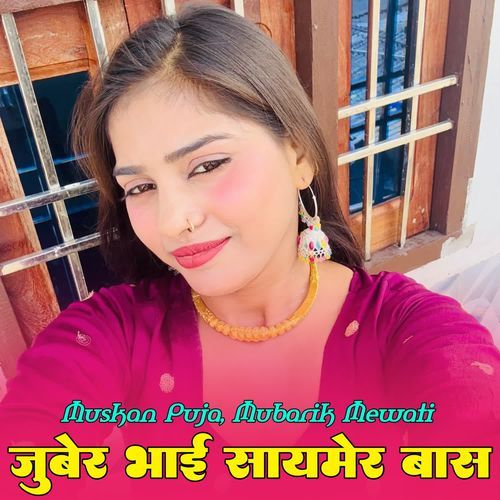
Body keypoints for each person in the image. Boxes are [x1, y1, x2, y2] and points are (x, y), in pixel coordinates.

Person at [0, 3, 499, 499]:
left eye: (207, 165)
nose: (173, 221)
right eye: (141, 187)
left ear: (299, 157)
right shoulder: (113, 332)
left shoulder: (409, 328)